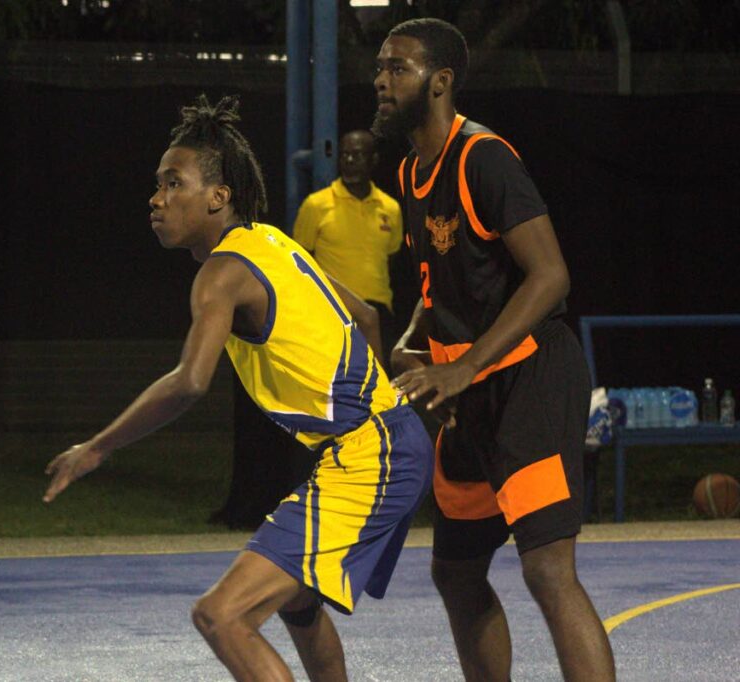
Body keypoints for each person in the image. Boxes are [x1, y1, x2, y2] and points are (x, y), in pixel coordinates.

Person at [44, 94, 433, 681]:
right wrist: (376, 405)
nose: (157, 198)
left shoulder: (220, 273)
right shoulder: (274, 242)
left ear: (218, 198)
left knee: (220, 617)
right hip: (378, 443)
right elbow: (370, 319)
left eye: (173, 184)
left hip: (371, 454)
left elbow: (190, 381)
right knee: (299, 603)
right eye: (157, 184)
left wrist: (98, 447)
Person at [371, 18, 615, 682]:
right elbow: (434, 289)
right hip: (469, 395)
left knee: (546, 570)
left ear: (441, 82)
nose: (382, 80)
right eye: (380, 69)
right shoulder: (411, 173)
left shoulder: (483, 158)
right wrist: (408, 347)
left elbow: (551, 277)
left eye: (398, 68)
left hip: (529, 380)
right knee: (454, 571)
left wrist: (465, 366)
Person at [292, 130, 404, 359]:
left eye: (358, 155)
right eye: (344, 155)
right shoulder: (316, 205)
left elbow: (391, 258)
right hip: (332, 311)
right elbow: (300, 263)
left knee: (378, 386)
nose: (350, 161)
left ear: (373, 159)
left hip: (379, 311)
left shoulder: (390, 208)